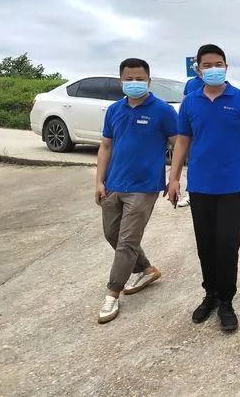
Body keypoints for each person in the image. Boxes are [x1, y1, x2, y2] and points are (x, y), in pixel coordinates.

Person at [166, 44, 240, 333]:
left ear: (226, 67)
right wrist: (174, 178)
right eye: (207, 65)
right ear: (198, 69)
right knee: (205, 244)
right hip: (201, 186)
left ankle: (226, 301)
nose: (213, 69)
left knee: (228, 244)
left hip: (232, 185)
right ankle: (210, 294)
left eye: (218, 63)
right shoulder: (190, 103)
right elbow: (182, 141)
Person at [95, 58, 178, 324]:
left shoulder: (163, 110)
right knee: (112, 234)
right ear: (121, 81)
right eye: (129, 79)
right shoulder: (114, 110)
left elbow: (178, 144)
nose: (134, 83)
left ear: (149, 81)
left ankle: (112, 293)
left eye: (139, 79)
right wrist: (99, 181)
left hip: (144, 186)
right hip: (114, 183)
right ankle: (146, 269)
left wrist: (174, 178)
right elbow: (106, 146)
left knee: (127, 241)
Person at [176, 73, 205, 208]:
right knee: (191, 161)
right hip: (193, 129)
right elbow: (184, 103)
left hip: (208, 129)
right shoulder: (191, 83)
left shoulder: (219, 83)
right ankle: (190, 193)